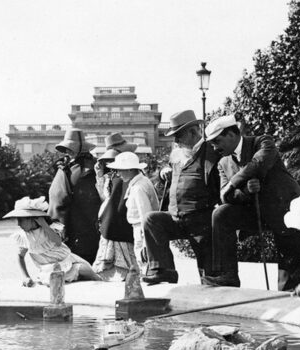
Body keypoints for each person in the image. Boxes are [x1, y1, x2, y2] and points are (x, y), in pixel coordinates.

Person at [205, 114, 300, 290]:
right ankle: (228, 275)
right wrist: (244, 191)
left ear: (231, 135)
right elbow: (226, 197)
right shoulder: (223, 163)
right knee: (221, 214)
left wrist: (234, 183)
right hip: (254, 211)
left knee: (288, 281)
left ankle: (290, 292)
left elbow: (258, 163)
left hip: (284, 208)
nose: (215, 148)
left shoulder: (263, 142)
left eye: (217, 142)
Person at [142, 109, 221, 285]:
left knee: (210, 278)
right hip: (176, 218)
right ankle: (163, 271)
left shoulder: (211, 153)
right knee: (151, 220)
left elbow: (221, 184)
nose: (176, 141)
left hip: (201, 221)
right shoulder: (178, 155)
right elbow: (161, 180)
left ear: (193, 132)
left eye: (179, 135)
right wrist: (162, 173)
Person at [4, 196, 100, 287]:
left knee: (88, 272)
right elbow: (20, 256)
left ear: (33, 219)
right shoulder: (23, 236)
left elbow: (58, 242)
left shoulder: (48, 230)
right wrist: (26, 277)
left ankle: (102, 286)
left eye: (21, 220)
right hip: (49, 269)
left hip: (68, 261)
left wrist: (44, 224)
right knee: (54, 281)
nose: (18, 224)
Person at [48, 128, 101, 264]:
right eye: (67, 149)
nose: (68, 152)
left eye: (71, 148)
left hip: (83, 226)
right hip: (66, 226)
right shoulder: (66, 167)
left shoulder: (91, 168)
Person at [91, 134, 139, 281]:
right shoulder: (109, 177)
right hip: (111, 220)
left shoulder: (131, 174)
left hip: (124, 218)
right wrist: (99, 176)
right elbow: (105, 198)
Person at [107, 151, 160, 277]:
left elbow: (145, 215)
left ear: (130, 169)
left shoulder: (138, 188)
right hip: (142, 229)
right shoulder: (141, 182)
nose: (118, 174)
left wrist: (146, 241)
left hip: (142, 230)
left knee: (143, 258)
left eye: (120, 170)